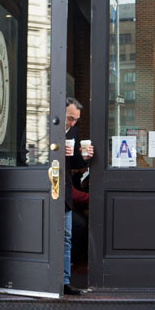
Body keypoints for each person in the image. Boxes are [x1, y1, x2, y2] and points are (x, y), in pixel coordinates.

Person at [63, 97, 93, 295]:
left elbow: (72, 164)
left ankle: (64, 282)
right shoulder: (39, 126)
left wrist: (83, 158)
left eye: (76, 120)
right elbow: (26, 154)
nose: (73, 123)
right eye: (70, 118)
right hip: (44, 189)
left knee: (67, 236)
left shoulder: (73, 131)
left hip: (63, 189)